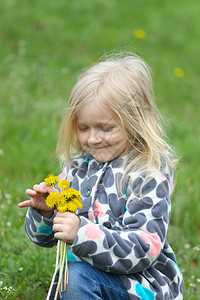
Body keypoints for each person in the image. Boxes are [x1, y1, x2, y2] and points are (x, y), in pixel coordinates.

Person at [18, 52, 184, 300]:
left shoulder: (148, 172)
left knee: (73, 279)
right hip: (91, 277)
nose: (93, 138)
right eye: (84, 128)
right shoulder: (78, 168)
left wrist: (81, 233)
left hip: (141, 288)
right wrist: (46, 213)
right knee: (70, 278)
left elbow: (143, 248)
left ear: (134, 122)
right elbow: (44, 240)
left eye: (105, 128)